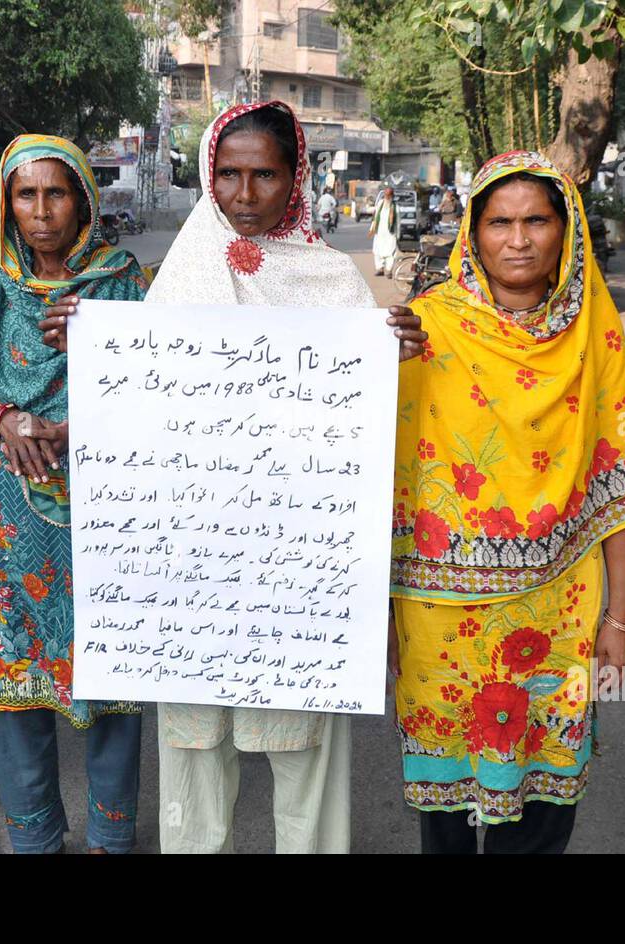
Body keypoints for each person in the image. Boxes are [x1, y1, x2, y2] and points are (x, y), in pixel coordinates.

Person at [144, 100, 427, 853]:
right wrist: (92, 342)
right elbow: (137, 413)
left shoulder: (335, 283)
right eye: (228, 175)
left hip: (297, 575)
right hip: (196, 568)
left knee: (306, 760)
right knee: (193, 758)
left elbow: (361, 434)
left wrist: (390, 355)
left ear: (294, 175)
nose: (243, 194)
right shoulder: (179, 272)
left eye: (263, 174)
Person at [390, 150, 625, 854]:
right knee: (447, 819)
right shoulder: (424, 330)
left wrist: (620, 619)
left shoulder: (595, 337)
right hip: (440, 616)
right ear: (473, 234)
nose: (518, 240)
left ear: (566, 229)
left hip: (558, 611)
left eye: (537, 221)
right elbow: (366, 461)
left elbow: (621, 480)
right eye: (500, 222)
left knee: (544, 813)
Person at [0, 134, 148, 854]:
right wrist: (5, 419)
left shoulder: (124, 283)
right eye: (25, 195)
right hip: (9, 525)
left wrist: (75, 414)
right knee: (13, 690)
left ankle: (110, 837)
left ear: (82, 201)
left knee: (112, 680)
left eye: (56, 193)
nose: (41, 212)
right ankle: (34, 836)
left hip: (106, 518)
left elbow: (160, 393)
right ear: (7, 205)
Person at [371, 186, 399, 276]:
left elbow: (398, 222)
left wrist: (398, 234)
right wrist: (372, 228)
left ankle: (389, 270)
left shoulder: (395, 207)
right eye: (386, 195)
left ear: (392, 195)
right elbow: (375, 217)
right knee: (377, 250)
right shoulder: (380, 203)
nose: (387, 197)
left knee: (390, 252)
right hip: (379, 232)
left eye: (389, 195)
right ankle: (380, 269)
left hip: (390, 234)